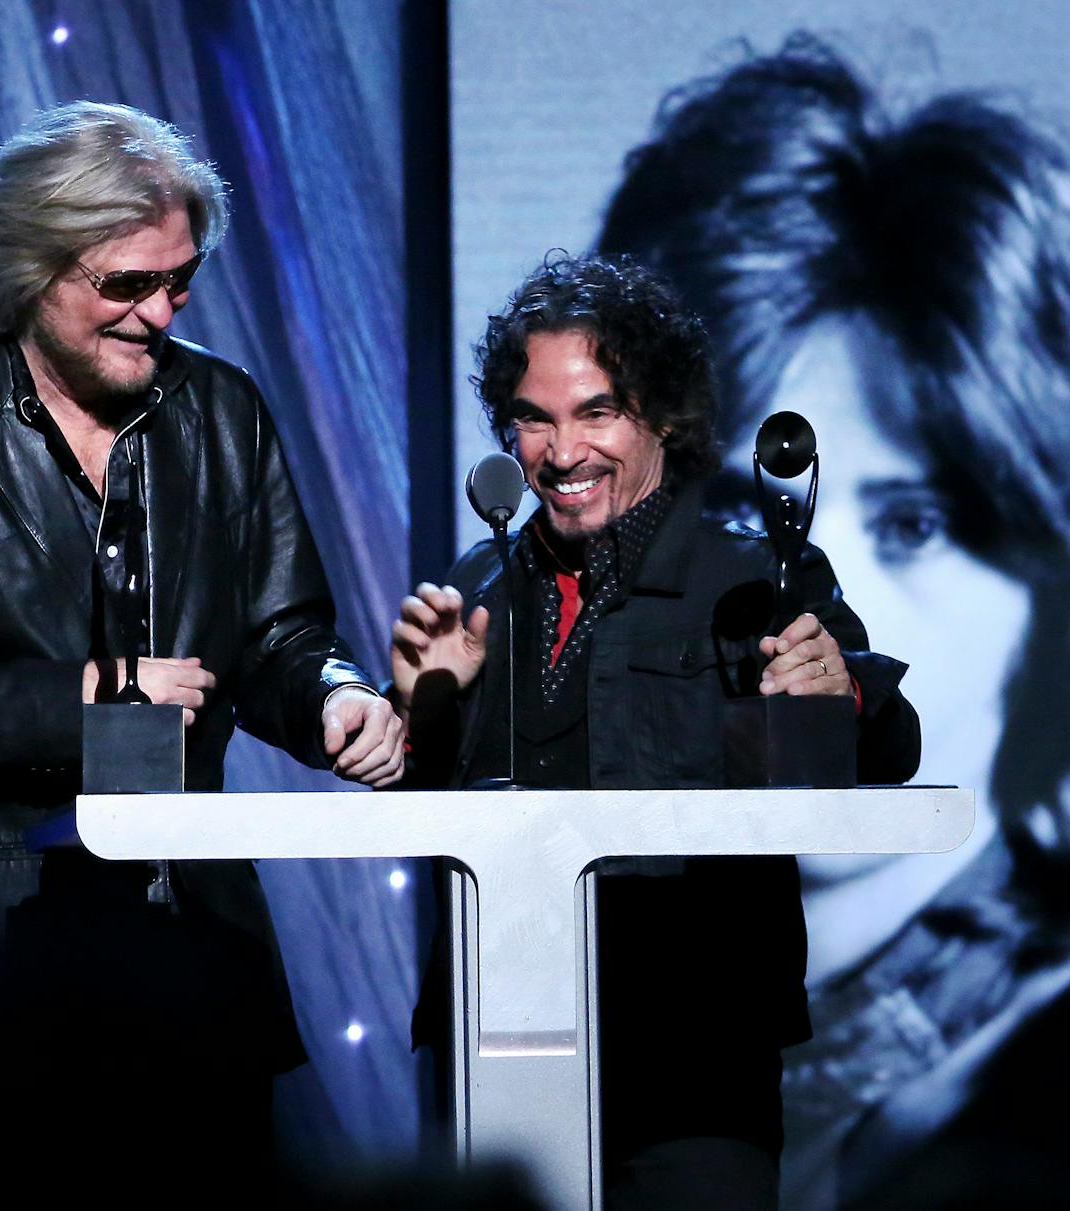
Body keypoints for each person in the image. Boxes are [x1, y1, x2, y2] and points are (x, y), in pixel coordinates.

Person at [593, 34, 1070, 1209]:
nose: (818, 599)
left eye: (916, 521)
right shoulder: (574, 1030)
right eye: (735, 507)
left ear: (1065, 588)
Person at [0, 100, 403, 1176]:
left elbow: (279, 632)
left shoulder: (223, 411)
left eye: (181, 282)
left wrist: (334, 698)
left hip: (196, 956)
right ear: (29, 272)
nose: (159, 312)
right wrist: (90, 695)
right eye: (124, 285)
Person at [392, 253, 921, 1211]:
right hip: (503, 1035)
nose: (561, 451)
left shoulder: (748, 577)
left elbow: (888, 745)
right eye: (535, 417)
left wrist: (831, 695)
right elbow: (437, 811)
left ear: (664, 423)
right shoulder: (478, 584)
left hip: (693, 1062)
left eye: (596, 413)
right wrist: (421, 718)